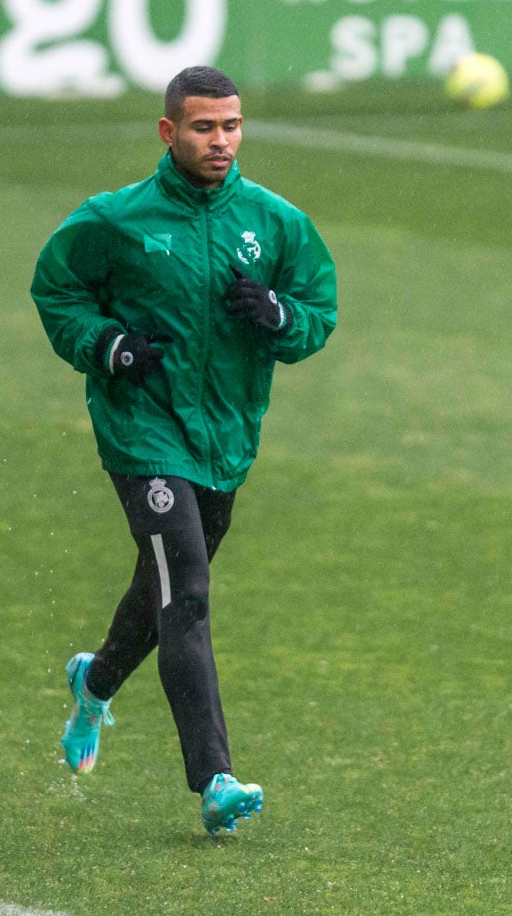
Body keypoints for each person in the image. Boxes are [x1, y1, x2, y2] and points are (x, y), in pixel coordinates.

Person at [30, 65, 336, 836]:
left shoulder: (274, 222)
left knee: (164, 585)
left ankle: (92, 684)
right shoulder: (116, 218)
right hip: (144, 433)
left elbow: (316, 311)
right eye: (204, 128)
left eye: (230, 126)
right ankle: (215, 780)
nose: (220, 141)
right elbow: (56, 288)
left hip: (226, 438)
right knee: (189, 592)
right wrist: (108, 346)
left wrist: (276, 315)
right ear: (169, 132)